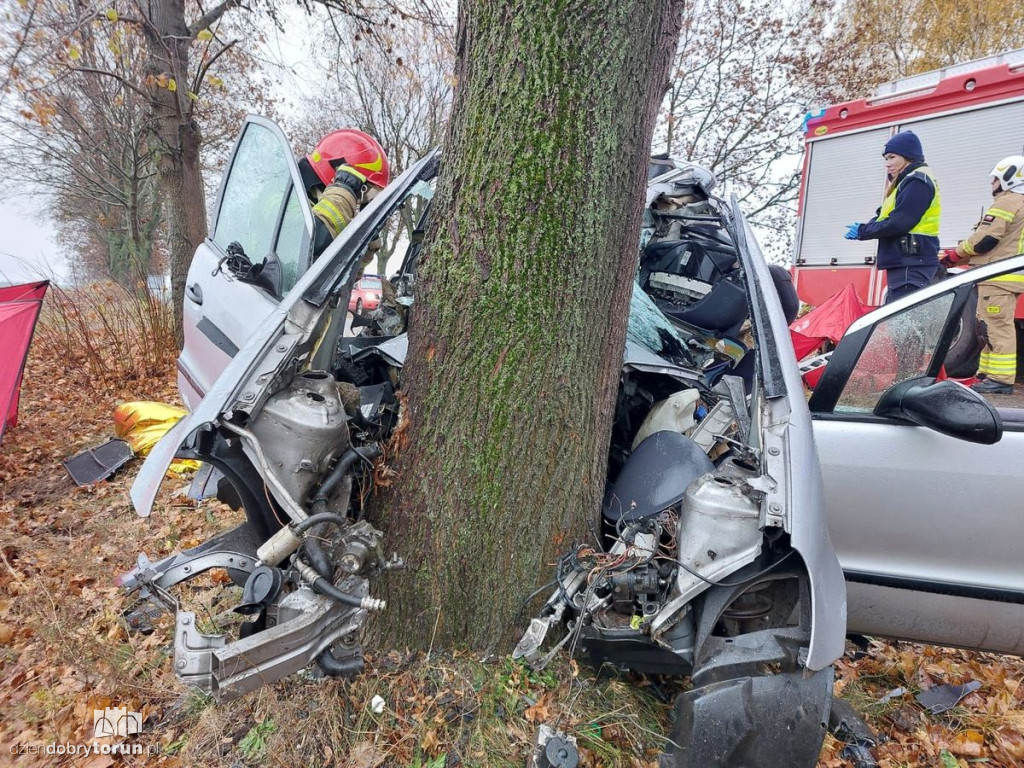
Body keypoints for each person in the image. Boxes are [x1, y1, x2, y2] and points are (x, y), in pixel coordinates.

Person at [940, 155, 1024, 394]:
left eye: (995, 180)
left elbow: (985, 239)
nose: (992, 185)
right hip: (1006, 277)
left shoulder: (1008, 202)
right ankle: (987, 374)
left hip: (998, 278)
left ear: (1009, 178)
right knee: (987, 326)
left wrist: (953, 256)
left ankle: (1000, 379)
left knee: (996, 326)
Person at [844, 131, 941, 303]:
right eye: (886, 159)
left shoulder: (917, 182)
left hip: (910, 261)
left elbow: (900, 222)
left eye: (892, 157)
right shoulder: (906, 182)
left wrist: (863, 231)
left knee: (904, 322)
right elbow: (884, 216)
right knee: (903, 319)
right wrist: (864, 228)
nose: (887, 164)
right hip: (908, 260)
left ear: (908, 155)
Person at [296, 129, 391, 259]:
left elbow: (350, 274)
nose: (360, 201)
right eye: (363, 191)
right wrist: (344, 193)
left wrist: (369, 234)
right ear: (339, 174)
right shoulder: (284, 193)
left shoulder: (328, 208)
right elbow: (307, 245)